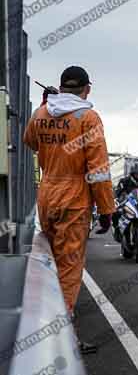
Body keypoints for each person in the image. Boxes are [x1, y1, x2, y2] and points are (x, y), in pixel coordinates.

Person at [23, 66, 115, 354]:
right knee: (69, 269)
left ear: (61, 88)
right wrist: (106, 209)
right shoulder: (88, 118)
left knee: (50, 265)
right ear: (87, 89)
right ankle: (61, 338)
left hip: (47, 196)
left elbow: (29, 141)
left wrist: (44, 105)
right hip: (74, 200)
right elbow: (98, 170)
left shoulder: (42, 113)